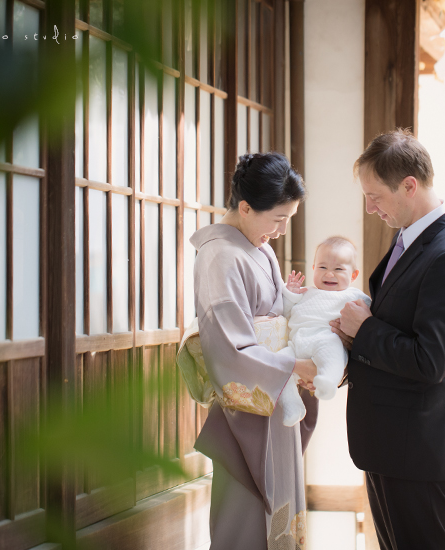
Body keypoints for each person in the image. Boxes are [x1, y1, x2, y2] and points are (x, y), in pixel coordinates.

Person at [330, 129, 445, 550]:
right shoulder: (410, 239)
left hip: (418, 450)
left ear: (409, 185)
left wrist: (364, 329)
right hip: (389, 444)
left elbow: (429, 360)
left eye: (375, 196)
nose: (369, 208)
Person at [191, 152, 318, 550]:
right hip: (249, 410)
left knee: (280, 513)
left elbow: (278, 315)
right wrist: (294, 364)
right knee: (244, 525)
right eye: (278, 219)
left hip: (277, 396)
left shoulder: (259, 248)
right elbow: (229, 345)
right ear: (245, 208)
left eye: (288, 219)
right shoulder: (219, 255)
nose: (281, 231)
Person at [276, 237, 371, 426]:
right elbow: (285, 314)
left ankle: (328, 381)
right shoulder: (305, 293)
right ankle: (292, 405)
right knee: (278, 364)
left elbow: (369, 318)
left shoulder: (354, 296)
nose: (329, 274)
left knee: (333, 349)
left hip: (325, 339)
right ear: (313, 269)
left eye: (338, 269)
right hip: (296, 344)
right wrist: (290, 293)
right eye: (322, 267)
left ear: (353, 275)